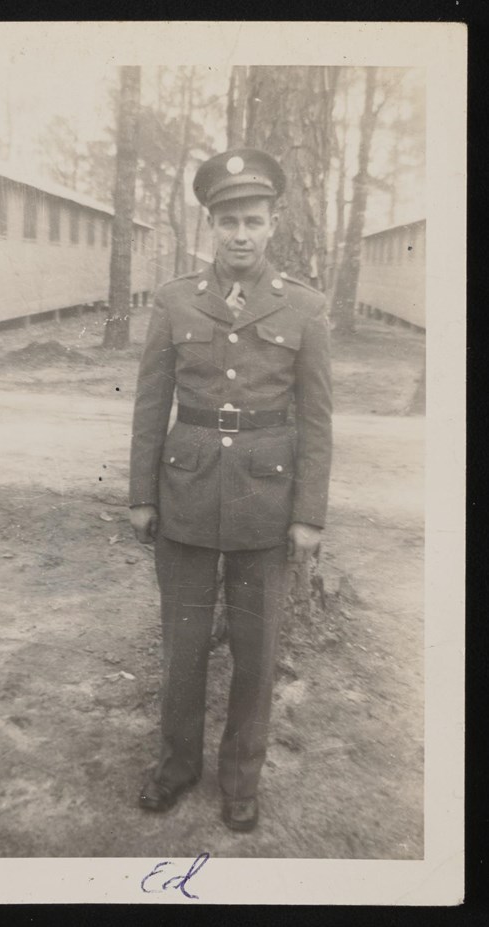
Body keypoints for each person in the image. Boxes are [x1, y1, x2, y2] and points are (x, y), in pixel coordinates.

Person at [129, 148, 332, 832]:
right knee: (183, 643)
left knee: (256, 649)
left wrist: (308, 514)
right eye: (226, 221)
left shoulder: (304, 306)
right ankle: (176, 764)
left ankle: (240, 778)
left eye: (252, 219)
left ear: (274, 223)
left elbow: (318, 418)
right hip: (185, 493)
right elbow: (151, 403)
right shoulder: (176, 299)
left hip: (267, 506)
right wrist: (141, 495)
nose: (240, 234)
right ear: (209, 226)